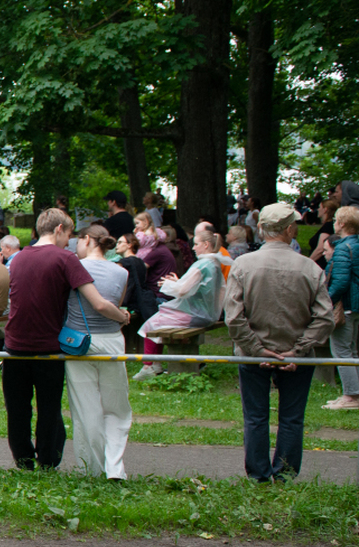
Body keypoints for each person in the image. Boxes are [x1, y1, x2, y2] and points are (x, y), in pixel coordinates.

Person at [2, 209, 130, 469]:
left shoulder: (16, 259)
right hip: (49, 346)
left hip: (14, 343)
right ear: (59, 229)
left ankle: (24, 461)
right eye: (69, 234)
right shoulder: (66, 259)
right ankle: (48, 461)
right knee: (49, 409)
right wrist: (122, 316)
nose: (69, 240)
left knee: (17, 410)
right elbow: (97, 301)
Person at [226, 203, 336, 481]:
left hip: (254, 355)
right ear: (290, 229)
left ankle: (259, 475)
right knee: (292, 418)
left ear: (261, 229)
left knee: (255, 417)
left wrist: (257, 348)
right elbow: (325, 319)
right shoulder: (310, 268)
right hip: (295, 356)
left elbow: (234, 318)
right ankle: (285, 476)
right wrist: (297, 350)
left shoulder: (242, 265)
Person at [65, 225, 133, 478]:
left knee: (86, 409)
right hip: (113, 340)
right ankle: (115, 468)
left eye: (77, 241)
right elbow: (118, 304)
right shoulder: (122, 272)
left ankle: (92, 469)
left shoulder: (74, 269)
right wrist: (123, 318)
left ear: (87, 239)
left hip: (78, 341)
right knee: (117, 407)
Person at [132, 229, 226, 380]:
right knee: (158, 320)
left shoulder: (202, 264)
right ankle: (155, 364)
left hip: (196, 315)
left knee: (150, 324)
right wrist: (178, 281)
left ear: (206, 244)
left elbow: (182, 291)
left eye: (196, 244)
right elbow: (197, 287)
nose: (193, 248)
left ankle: (148, 366)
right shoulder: (214, 262)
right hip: (208, 313)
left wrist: (169, 283)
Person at [323, 206, 359, 409]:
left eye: (336, 219)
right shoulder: (356, 244)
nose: (334, 222)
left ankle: (350, 397)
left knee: (341, 349)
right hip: (355, 305)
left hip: (346, 305)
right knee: (351, 349)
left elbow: (342, 280)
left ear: (342, 224)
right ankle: (354, 393)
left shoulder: (344, 247)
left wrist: (327, 300)